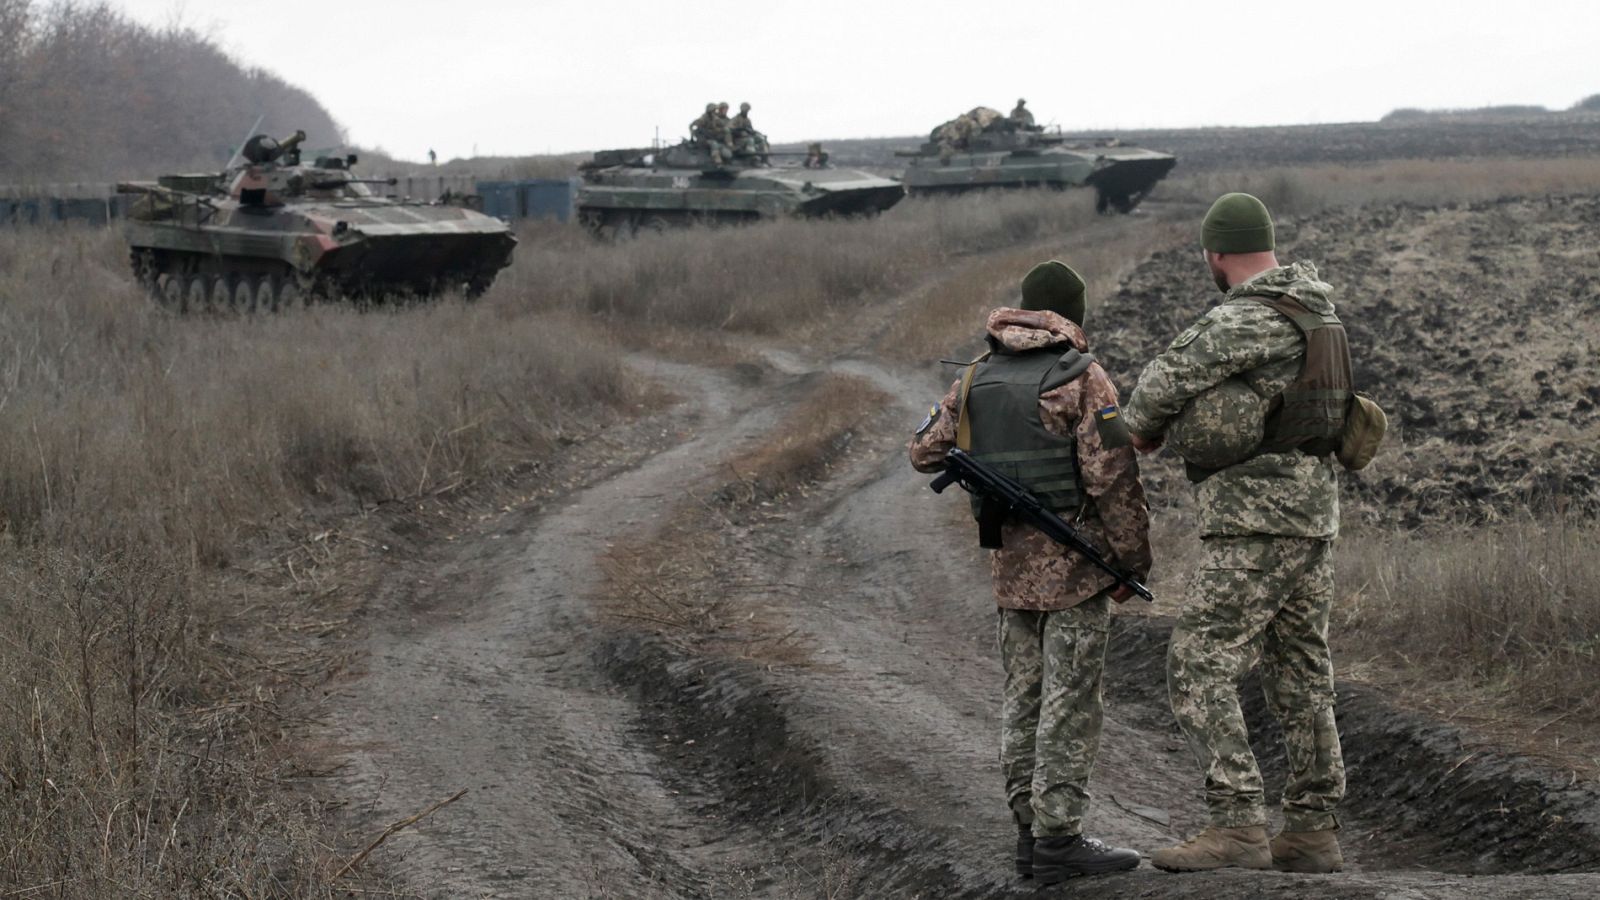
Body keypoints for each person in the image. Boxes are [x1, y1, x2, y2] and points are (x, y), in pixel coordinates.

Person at [1122, 193, 1350, 876]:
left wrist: (1144, 429)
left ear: (1216, 254)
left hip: (1256, 518)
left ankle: (1237, 823)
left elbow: (1158, 387)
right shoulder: (1320, 312)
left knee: (1196, 662)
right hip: (1311, 514)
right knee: (1300, 672)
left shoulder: (1248, 316)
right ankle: (1311, 831)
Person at [910, 261, 1152, 885]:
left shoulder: (976, 376)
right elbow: (1114, 478)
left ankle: (1029, 833)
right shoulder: (1080, 375)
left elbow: (923, 452)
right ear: (1074, 313)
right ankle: (1060, 839)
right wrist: (1131, 560)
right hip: (1077, 572)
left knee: (1024, 699)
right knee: (1069, 703)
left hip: (1011, 573)